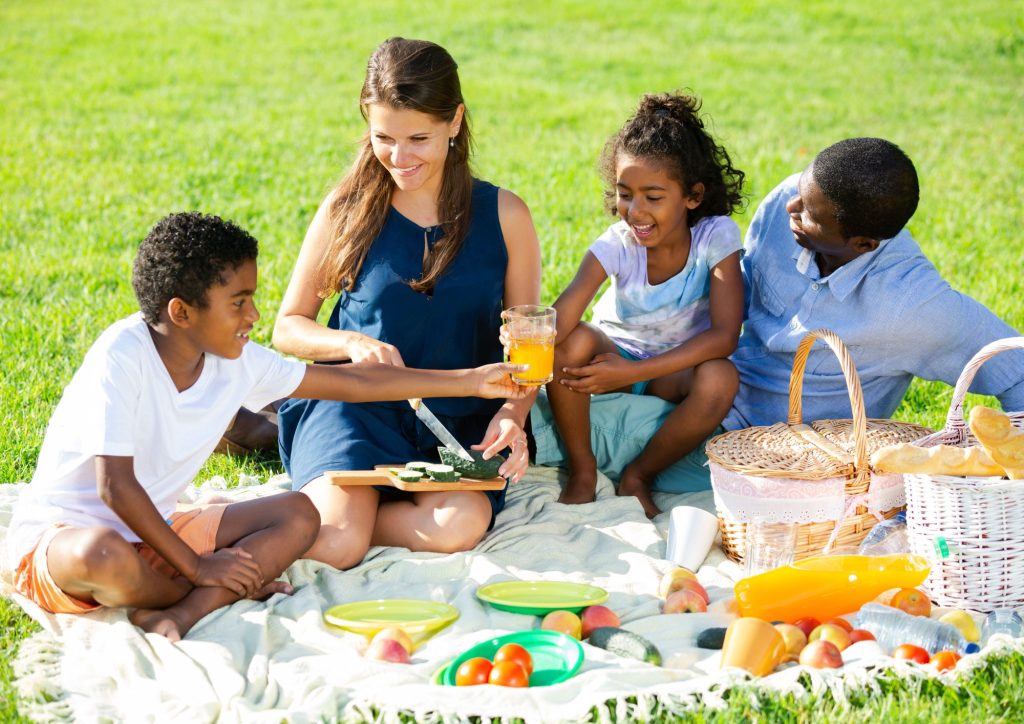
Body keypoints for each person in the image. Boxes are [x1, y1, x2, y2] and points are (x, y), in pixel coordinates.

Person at [4, 212, 526, 641]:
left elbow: (354, 385)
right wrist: (196, 567)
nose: (255, 315)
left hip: (159, 532)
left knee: (299, 513)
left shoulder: (237, 361)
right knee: (102, 553)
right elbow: (114, 487)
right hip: (64, 543)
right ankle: (209, 591)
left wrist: (472, 380)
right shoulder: (122, 354)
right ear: (181, 312)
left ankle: (180, 612)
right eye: (239, 302)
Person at [531, 137, 1024, 490]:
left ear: (863, 244)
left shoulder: (915, 308)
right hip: (694, 392)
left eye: (808, 213)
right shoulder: (785, 207)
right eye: (799, 192)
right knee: (549, 394)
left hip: (773, 459)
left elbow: (1017, 369)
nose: (789, 206)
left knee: (540, 434)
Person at [273, 38, 542, 569]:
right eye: (384, 138)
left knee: (459, 526)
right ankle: (308, 516)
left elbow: (528, 352)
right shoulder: (347, 209)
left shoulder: (507, 215)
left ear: (455, 121)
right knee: (336, 544)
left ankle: (334, 515)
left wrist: (513, 414)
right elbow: (288, 326)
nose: (399, 157)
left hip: (459, 420)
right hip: (353, 409)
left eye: (418, 137)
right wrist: (348, 341)